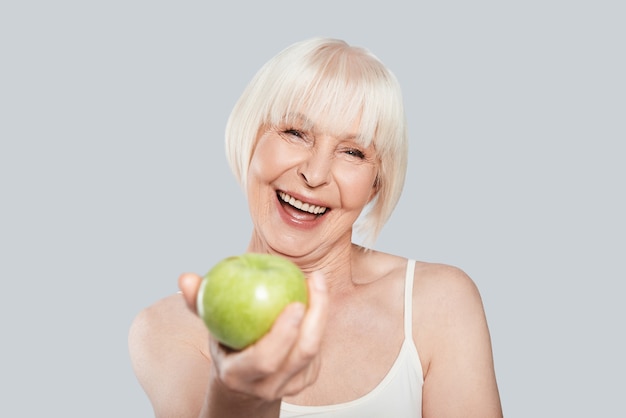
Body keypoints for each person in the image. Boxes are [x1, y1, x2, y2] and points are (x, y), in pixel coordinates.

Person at [128, 37, 503, 418]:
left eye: (353, 152)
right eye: (295, 133)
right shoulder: (168, 327)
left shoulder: (438, 303)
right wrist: (238, 397)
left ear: (376, 183)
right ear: (251, 136)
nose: (314, 174)